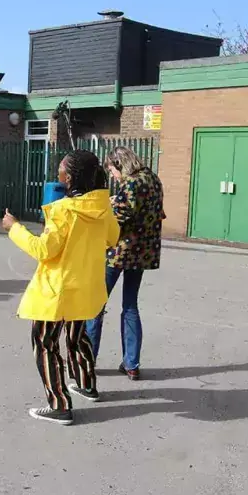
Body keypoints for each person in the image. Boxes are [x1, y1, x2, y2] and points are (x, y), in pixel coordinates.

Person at [1, 150, 120, 425]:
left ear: (72, 176)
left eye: (61, 168)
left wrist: (14, 227)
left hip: (58, 291)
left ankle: (59, 405)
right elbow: (113, 237)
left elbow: (44, 250)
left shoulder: (64, 210)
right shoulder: (103, 207)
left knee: (44, 344)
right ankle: (87, 384)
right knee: (77, 338)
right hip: (87, 287)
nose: (58, 173)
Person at [85, 146, 165, 381]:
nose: (111, 176)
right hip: (142, 252)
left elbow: (117, 218)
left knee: (96, 305)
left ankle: (88, 360)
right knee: (130, 305)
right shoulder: (152, 178)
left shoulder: (130, 184)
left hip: (118, 252)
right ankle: (131, 363)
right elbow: (154, 211)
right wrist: (116, 200)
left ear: (120, 165)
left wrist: (106, 207)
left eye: (111, 170)